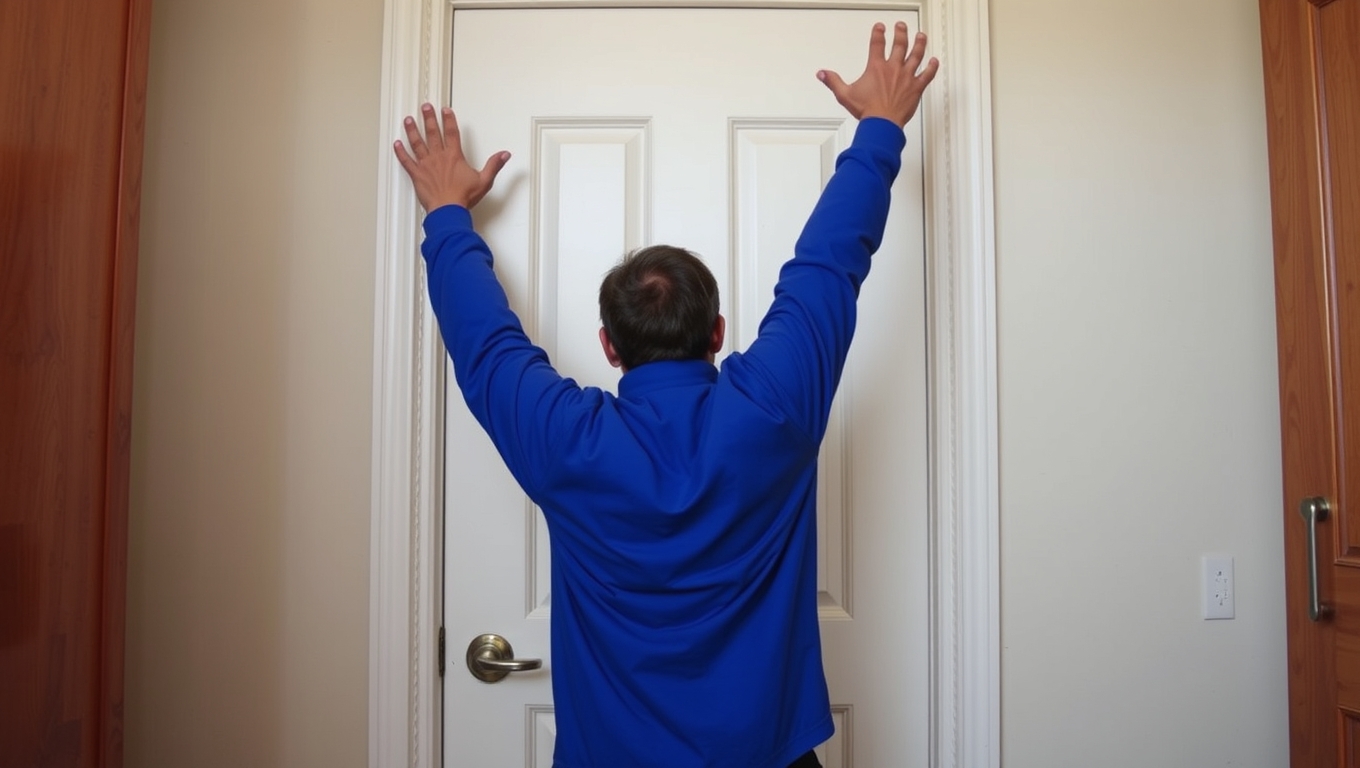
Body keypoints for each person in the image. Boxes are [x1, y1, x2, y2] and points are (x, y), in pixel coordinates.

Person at [394, 22, 938, 768]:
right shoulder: (772, 408)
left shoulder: (568, 441)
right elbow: (825, 270)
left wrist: (447, 215)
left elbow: (487, 346)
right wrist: (879, 130)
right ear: (716, 332)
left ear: (609, 347)